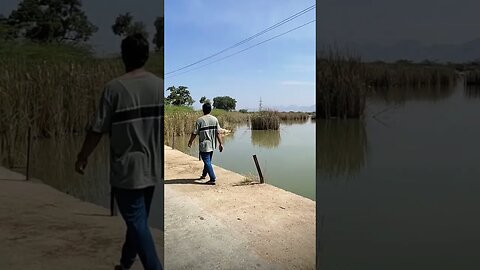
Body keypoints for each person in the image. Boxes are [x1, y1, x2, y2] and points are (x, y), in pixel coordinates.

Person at [74, 33, 163, 270]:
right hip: (153, 168)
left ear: (124, 56)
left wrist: (83, 156)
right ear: (146, 56)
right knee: (139, 222)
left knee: (137, 223)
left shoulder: (114, 88)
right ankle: (125, 264)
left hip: (127, 171)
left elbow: (97, 129)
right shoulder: (159, 86)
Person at [188, 102, 224, 185]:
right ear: (210, 110)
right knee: (208, 161)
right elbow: (218, 133)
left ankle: (212, 178)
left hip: (204, 145)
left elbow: (194, 133)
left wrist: (190, 141)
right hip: (212, 144)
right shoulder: (215, 119)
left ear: (203, 110)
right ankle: (204, 175)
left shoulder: (200, 120)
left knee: (207, 162)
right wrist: (220, 143)